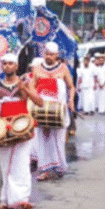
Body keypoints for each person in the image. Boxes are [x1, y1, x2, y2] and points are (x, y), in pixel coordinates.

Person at [0, 53, 43, 209]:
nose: (7, 66)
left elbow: (39, 102)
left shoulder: (25, 82)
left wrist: (26, 90)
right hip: (3, 127)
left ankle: (21, 199)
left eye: (10, 64)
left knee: (21, 163)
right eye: (5, 64)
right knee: (5, 164)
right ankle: (6, 199)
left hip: (22, 126)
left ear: (16, 66)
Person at [31, 41, 75, 181]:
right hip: (42, 109)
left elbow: (71, 87)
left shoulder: (63, 68)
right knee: (43, 138)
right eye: (47, 54)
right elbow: (32, 87)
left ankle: (59, 166)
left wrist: (71, 100)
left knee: (58, 138)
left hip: (58, 109)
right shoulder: (37, 68)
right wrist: (35, 101)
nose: (49, 57)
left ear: (57, 55)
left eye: (52, 55)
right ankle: (45, 169)